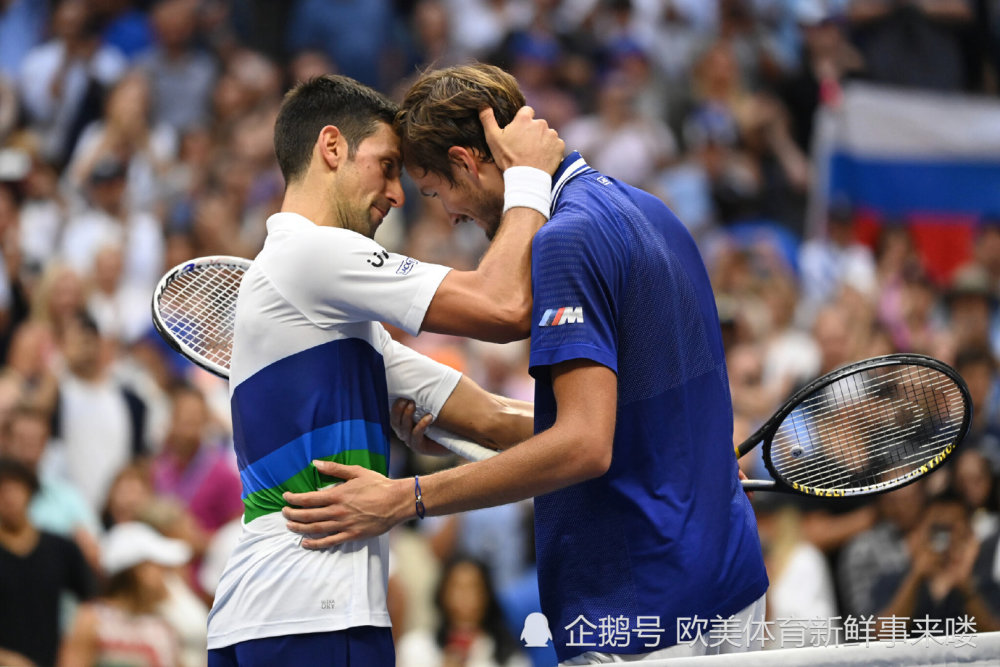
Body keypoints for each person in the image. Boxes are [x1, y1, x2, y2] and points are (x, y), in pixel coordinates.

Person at [282, 63, 768, 663]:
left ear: (467, 161)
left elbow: (584, 445)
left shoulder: (566, 239)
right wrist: (468, 435)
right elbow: (629, 426)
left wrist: (407, 497)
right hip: (732, 586)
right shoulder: (651, 210)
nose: (449, 214)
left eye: (438, 192)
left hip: (642, 609)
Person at [206, 73, 563, 665]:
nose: (398, 193)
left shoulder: (341, 323)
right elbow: (504, 306)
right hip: (315, 614)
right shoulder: (309, 252)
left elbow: (495, 422)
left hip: (260, 617)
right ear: (332, 147)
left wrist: (654, 448)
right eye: (388, 164)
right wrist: (528, 178)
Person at [0, 457, 96, 667]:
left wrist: (74, 648)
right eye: (1, 490)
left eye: (15, 487)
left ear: (30, 491)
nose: (8, 497)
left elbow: (91, 600)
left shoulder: (60, 547)